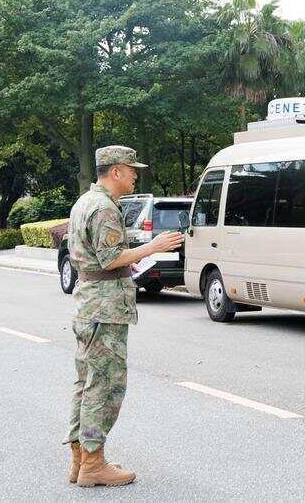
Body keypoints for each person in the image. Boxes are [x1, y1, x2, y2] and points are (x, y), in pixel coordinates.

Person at [64, 146, 184, 487]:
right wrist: (153, 247)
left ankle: (80, 459)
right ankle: (93, 462)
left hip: (91, 303)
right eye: (131, 170)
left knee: (86, 383)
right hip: (104, 308)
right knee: (105, 385)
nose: (135, 175)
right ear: (116, 171)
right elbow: (109, 258)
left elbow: (97, 256)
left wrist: (126, 259)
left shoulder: (85, 202)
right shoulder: (103, 207)